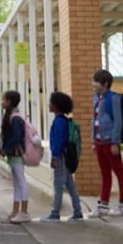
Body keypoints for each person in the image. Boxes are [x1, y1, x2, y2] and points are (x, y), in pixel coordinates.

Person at [90, 69, 123, 216]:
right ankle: (103, 205)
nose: (93, 84)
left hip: (110, 141)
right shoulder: (96, 98)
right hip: (100, 142)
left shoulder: (113, 98)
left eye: (96, 81)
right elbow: (94, 120)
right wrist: (94, 140)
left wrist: (115, 142)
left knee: (119, 172)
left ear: (105, 83)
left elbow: (118, 122)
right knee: (105, 173)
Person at [40, 92, 83, 222]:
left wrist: (54, 157)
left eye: (51, 103)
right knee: (70, 184)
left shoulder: (58, 122)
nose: (49, 105)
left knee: (58, 184)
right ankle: (77, 211)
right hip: (66, 155)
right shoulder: (64, 121)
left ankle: (55, 212)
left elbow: (58, 141)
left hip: (60, 157)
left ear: (56, 106)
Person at [0, 90, 31, 223]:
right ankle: (16, 210)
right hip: (14, 154)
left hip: (16, 153)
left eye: (4, 100)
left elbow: (16, 137)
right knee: (17, 183)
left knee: (20, 182)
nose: (2, 102)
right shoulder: (12, 116)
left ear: (10, 102)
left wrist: (6, 149)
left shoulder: (15, 118)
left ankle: (23, 211)